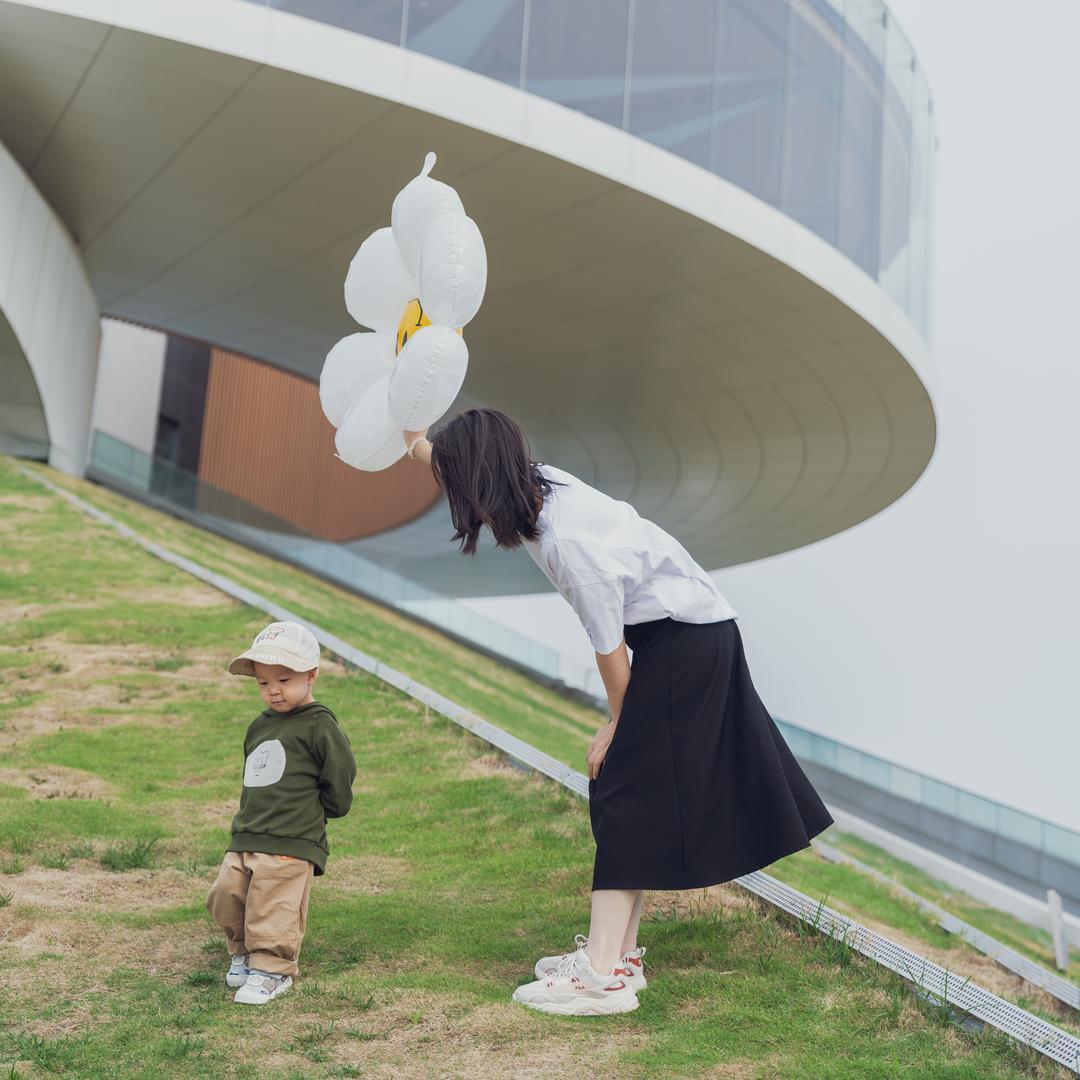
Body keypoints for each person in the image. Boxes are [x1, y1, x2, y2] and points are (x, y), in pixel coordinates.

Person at [404, 410, 833, 1016]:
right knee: (627, 790)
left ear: (478, 480)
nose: (448, 491)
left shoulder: (568, 545)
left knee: (625, 787)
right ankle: (619, 959)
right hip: (692, 634)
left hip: (684, 644)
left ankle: (601, 977)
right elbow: (442, 455)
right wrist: (411, 434)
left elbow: (610, 655)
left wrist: (617, 726)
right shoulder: (540, 484)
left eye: (453, 479)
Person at [206, 621, 357, 1005]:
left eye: (285, 679)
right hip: (250, 831)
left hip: (293, 836)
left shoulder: (320, 724)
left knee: (274, 903)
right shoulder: (259, 725)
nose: (273, 690)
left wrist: (329, 810)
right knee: (228, 893)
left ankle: (272, 970)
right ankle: (243, 952)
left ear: (312, 675)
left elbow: (339, 773)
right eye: (263, 683)